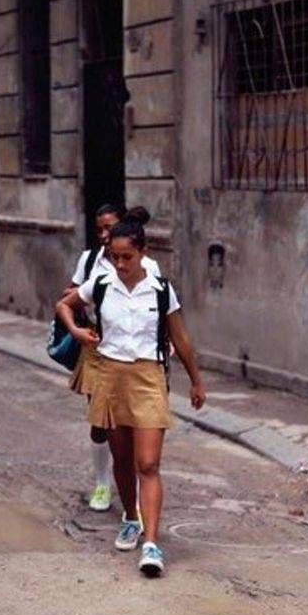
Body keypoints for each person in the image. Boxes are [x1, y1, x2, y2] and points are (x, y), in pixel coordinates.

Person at [56, 216, 205, 577]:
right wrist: (76, 331)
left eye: (126, 257)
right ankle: (130, 517)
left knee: (148, 463)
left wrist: (196, 381)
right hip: (109, 375)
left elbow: (180, 339)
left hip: (148, 377)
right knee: (121, 460)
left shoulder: (160, 288)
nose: (120, 265)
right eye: (114, 257)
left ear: (143, 252)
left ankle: (152, 545)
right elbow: (63, 305)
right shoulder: (102, 283)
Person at [67, 205, 160, 513]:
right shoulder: (90, 260)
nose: (105, 236)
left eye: (110, 228)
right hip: (99, 346)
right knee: (101, 423)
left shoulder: (149, 265)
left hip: (139, 355)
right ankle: (103, 482)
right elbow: (70, 296)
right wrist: (78, 325)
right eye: (100, 230)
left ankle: (135, 488)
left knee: (136, 424)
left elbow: (161, 305)